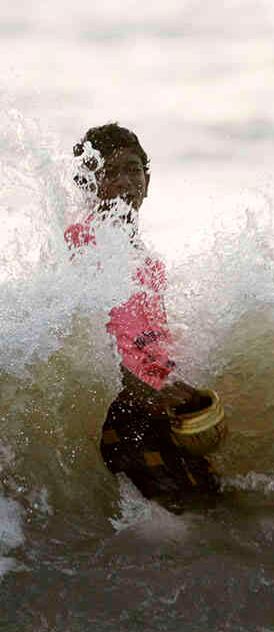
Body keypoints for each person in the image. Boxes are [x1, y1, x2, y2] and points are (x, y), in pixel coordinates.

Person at [66, 123, 220, 512]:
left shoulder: (149, 263)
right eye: (110, 172)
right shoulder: (80, 241)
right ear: (88, 184)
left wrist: (177, 388)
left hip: (154, 404)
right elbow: (88, 339)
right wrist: (141, 389)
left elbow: (150, 341)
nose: (124, 182)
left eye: (133, 170)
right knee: (178, 516)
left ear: (148, 181)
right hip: (120, 407)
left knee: (213, 500)